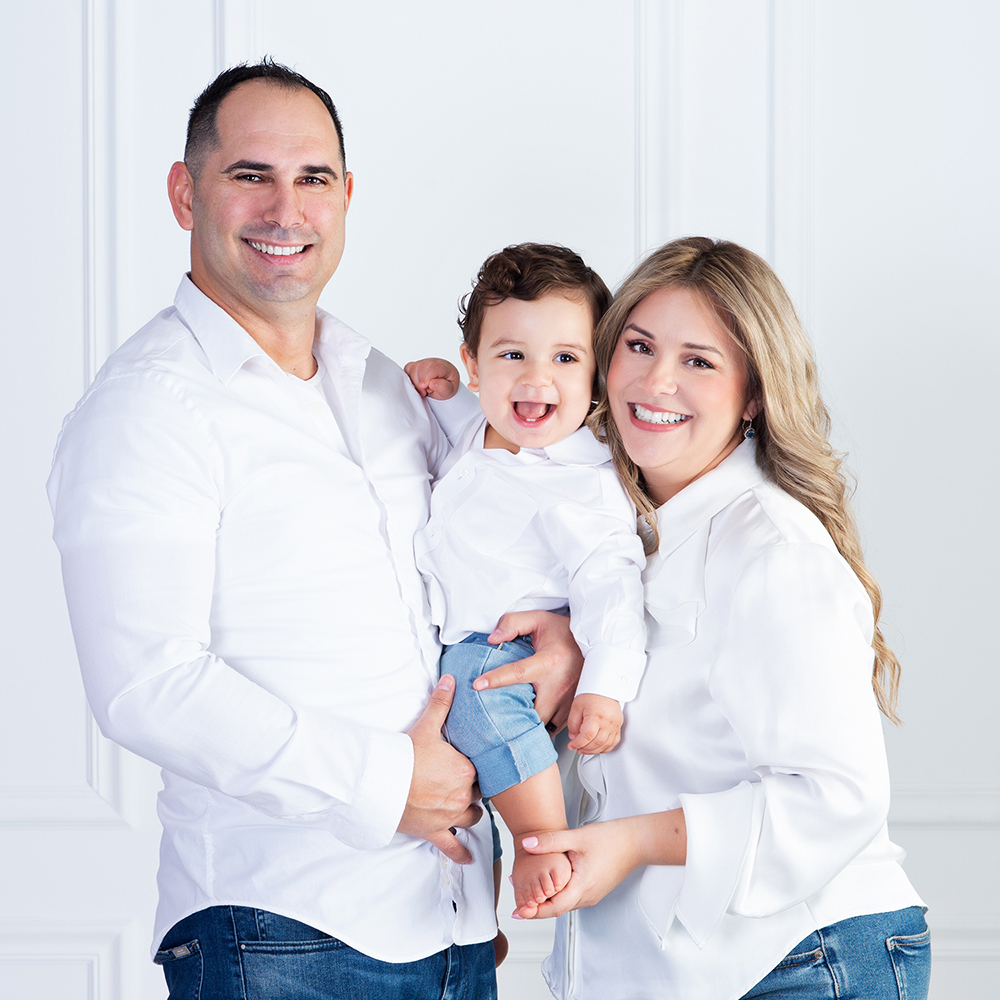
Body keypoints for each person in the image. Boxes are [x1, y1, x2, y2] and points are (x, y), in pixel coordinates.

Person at [46, 60, 580, 1000]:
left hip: (454, 928)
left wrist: (559, 638)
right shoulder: (149, 407)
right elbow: (146, 683)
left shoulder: (380, 382)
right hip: (281, 933)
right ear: (185, 193)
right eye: (250, 174)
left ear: (346, 197)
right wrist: (385, 781)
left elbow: (487, 546)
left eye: (313, 178)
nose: (285, 209)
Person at [483, 237, 929, 999]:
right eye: (639, 346)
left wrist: (630, 844)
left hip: (799, 961)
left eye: (699, 361)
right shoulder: (609, 535)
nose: (657, 380)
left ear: (753, 395)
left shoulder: (771, 547)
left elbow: (837, 795)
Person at [406, 244, 647, 916]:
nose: (537, 378)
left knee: (480, 711)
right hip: (454, 643)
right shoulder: (480, 429)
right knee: (465, 772)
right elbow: (470, 431)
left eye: (565, 359)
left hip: (503, 648)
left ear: (597, 376)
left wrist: (604, 687)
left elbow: (613, 587)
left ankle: (541, 842)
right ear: (474, 363)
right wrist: (439, 392)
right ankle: (481, 912)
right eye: (513, 354)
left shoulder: (583, 481)